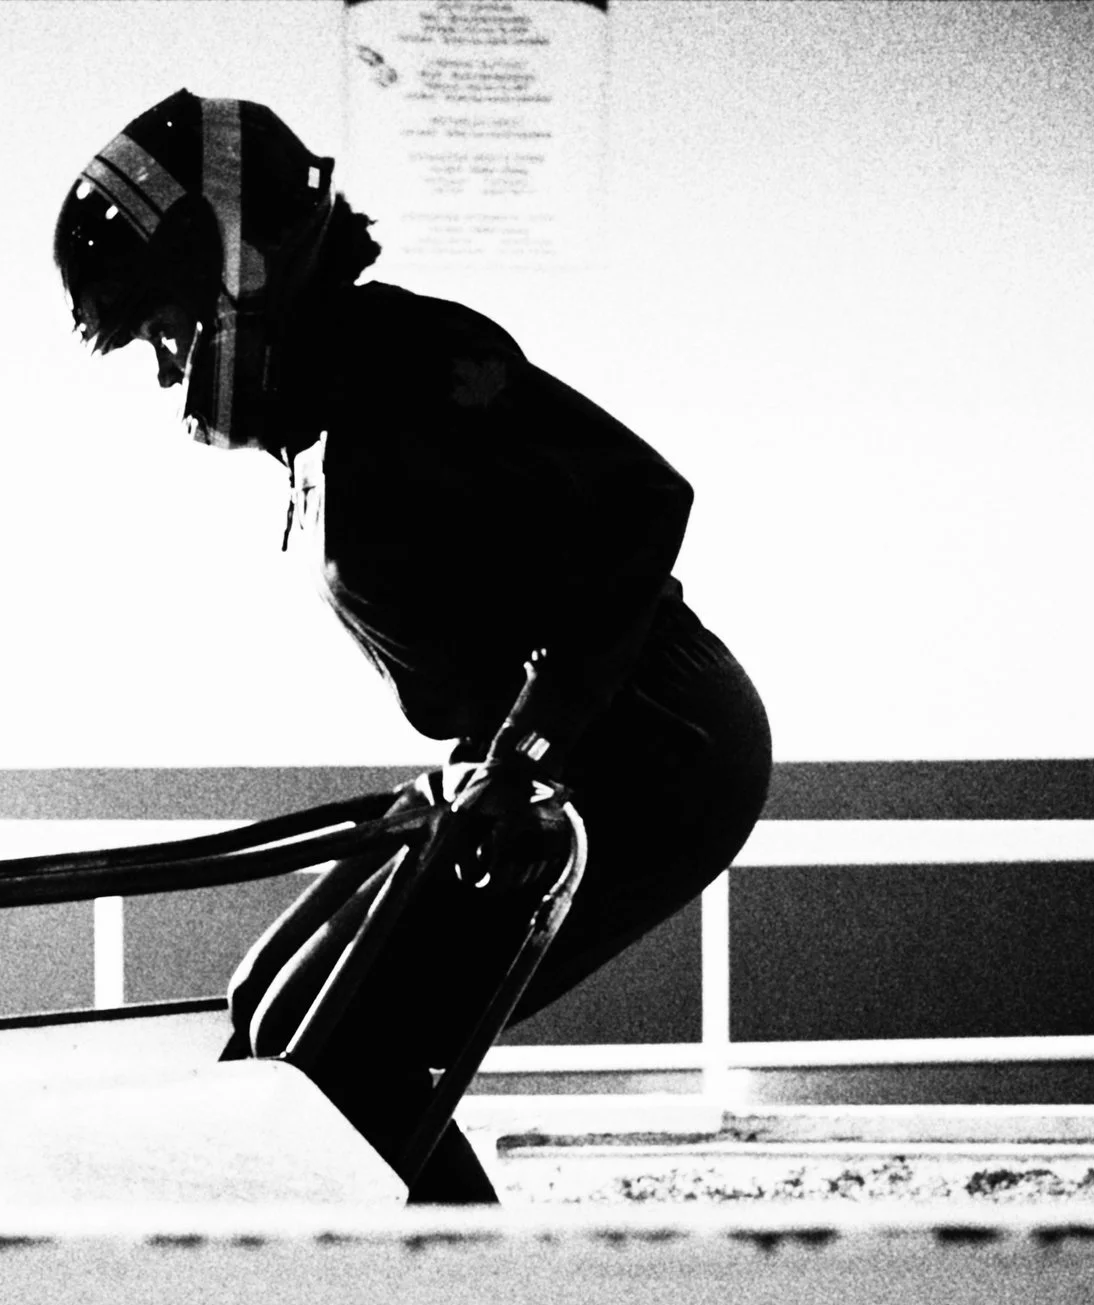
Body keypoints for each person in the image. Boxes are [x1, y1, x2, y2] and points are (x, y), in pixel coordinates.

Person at [55, 91, 773, 1210]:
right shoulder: (322, 407)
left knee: (348, 1046)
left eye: (161, 328)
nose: (164, 370)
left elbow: (642, 501)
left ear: (230, 270)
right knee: (268, 1005)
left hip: (657, 746)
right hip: (534, 749)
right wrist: (498, 753)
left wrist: (526, 751)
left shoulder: (410, 361)